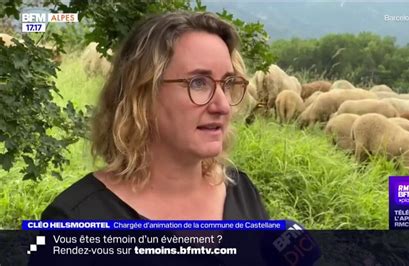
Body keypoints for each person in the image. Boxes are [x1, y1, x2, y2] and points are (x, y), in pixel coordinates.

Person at [41, 11, 269, 220]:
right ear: (141, 93)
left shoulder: (242, 192)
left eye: (228, 84)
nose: (223, 106)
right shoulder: (78, 219)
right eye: (199, 82)